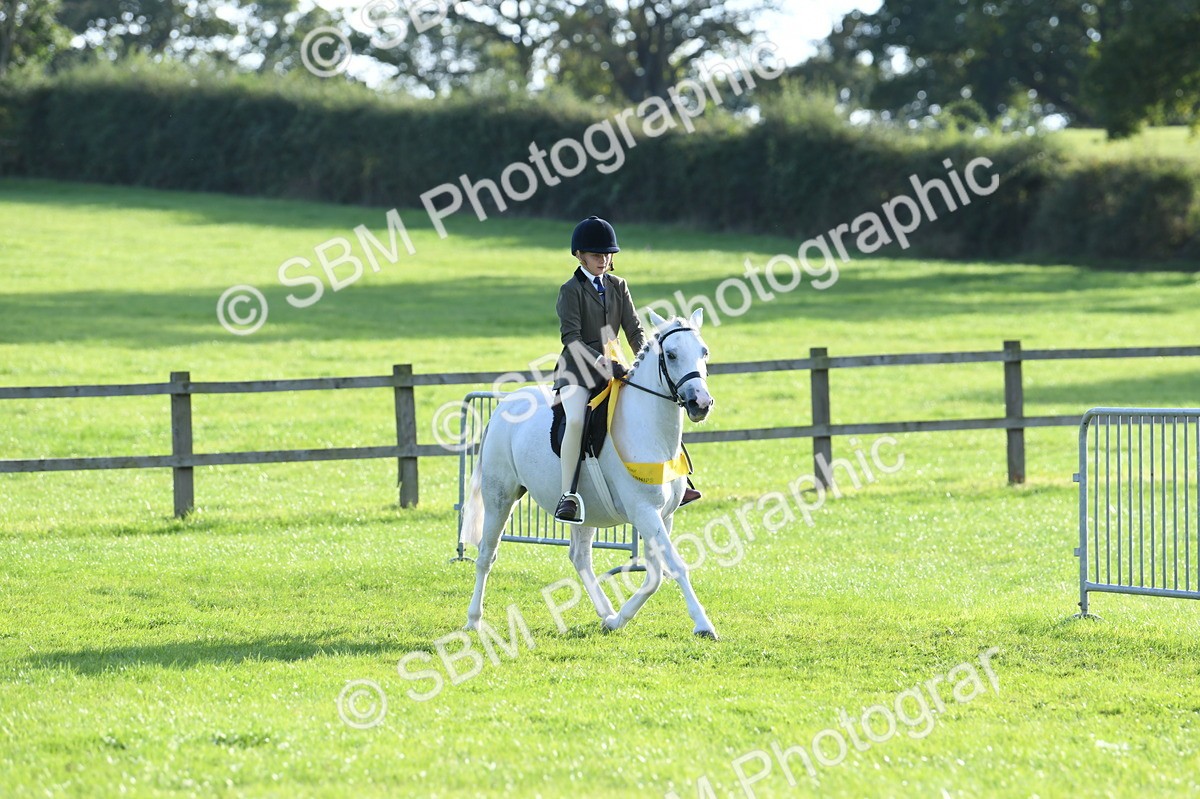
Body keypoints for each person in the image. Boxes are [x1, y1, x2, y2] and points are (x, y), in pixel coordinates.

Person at [552, 216, 700, 523]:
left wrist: (642, 360)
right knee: (577, 420)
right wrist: (602, 362)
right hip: (577, 371)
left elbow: (634, 330)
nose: (603, 260)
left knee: (656, 406)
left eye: (607, 255)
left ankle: (680, 481)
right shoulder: (571, 290)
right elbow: (572, 338)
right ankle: (569, 495)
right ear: (580, 255)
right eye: (596, 255)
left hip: (618, 367)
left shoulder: (619, 286)